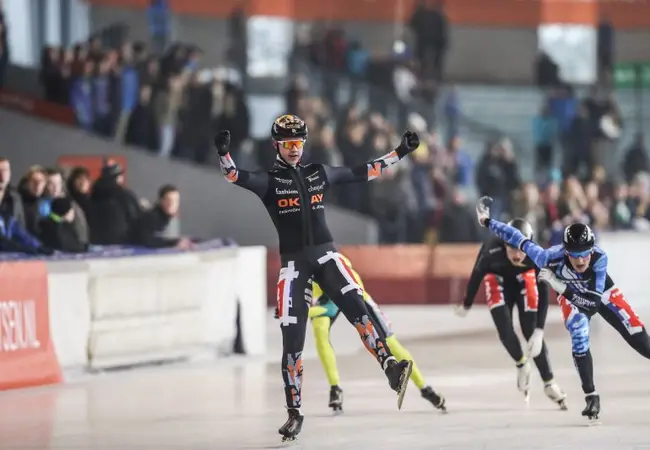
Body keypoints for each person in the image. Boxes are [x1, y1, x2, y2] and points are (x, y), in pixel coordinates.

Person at [215, 114, 419, 442]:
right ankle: (294, 413)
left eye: (298, 143)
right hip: (294, 265)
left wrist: (400, 152)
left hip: (326, 256)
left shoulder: (318, 172)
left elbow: (362, 172)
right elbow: (234, 176)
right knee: (292, 340)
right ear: (276, 146)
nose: (294, 149)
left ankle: (391, 367)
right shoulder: (269, 181)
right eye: (288, 144)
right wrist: (224, 153)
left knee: (357, 307)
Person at [476, 196, 650, 422]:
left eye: (585, 253)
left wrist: (559, 286)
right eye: (574, 254)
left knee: (635, 332)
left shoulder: (599, 258)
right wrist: (487, 221)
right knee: (579, 333)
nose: (581, 261)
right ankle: (591, 396)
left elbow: (593, 304)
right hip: (572, 297)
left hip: (598, 294)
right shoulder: (548, 257)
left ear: (592, 250)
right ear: (565, 251)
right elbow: (516, 237)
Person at [300, 253, 446, 412]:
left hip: (353, 292)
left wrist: (298, 312)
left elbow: (332, 305)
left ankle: (424, 388)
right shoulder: (305, 270)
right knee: (320, 331)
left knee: (389, 342)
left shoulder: (338, 265)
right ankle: (335, 387)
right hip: (323, 295)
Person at [455, 218, 567, 408]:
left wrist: (539, 330)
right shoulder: (491, 250)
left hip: (525, 279)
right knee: (504, 328)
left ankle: (549, 382)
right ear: (503, 244)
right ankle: (522, 364)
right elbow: (476, 274)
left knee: (530, 331)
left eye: (521, 249)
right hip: (498, 280)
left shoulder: (535, 254)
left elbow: (543, 290)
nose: (517, 255)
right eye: (512, 249)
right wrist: (467, 303)